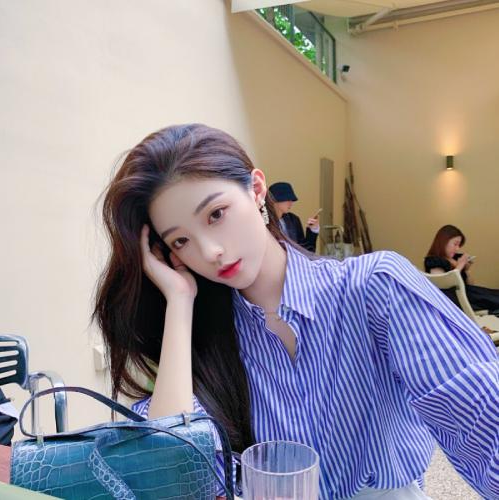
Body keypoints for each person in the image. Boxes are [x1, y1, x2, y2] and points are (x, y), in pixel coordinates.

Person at [93, 124, 498, 499]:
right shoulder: (209, 340)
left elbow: (480, 418)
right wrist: (180, 303)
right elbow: (171, 472)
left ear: (256, 189)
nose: (210, 251)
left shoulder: (375, 287)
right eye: (181, 241)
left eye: (216, 214)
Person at [425, 224, 499, 314]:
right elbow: (442, 283)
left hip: (469, 293)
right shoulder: (434, 260)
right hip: (454, 300)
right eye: (455, 244)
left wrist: (467, 270)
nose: (457, 248)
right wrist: (460, 265)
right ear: (443, 242)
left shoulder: (456, 258)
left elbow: (470, 284)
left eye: (459, 245)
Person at [268, 181, 320, 252]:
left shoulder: (294, 220)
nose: (291, 203)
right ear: (275, 200)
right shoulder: (264, 221)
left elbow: (306, 251)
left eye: (292, 200)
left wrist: (313, 230)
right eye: (288, 199)